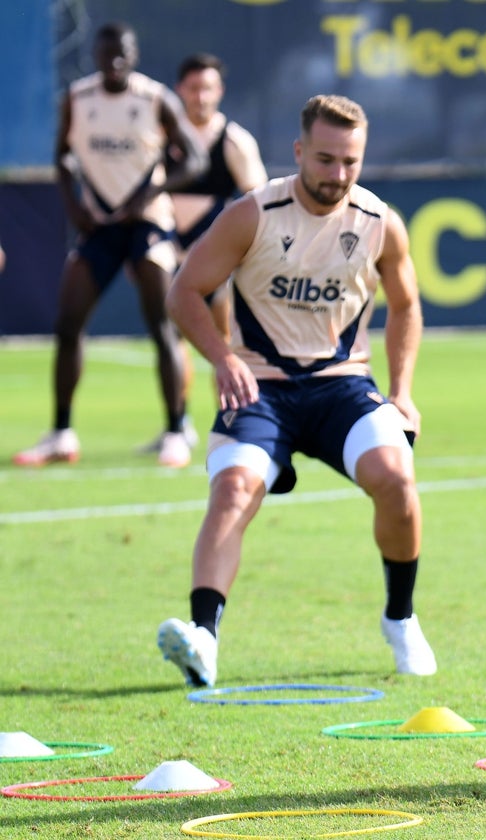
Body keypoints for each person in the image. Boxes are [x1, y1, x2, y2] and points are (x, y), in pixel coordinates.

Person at [156, 94, 435, 688]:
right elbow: (184, 292)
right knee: (232, 489)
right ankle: (204, 638)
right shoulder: (252, 214)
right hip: (261, 387)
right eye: (326, 159)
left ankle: (401, 617)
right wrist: (223, 357)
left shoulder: (379, 221)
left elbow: (407, 305)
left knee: (397, 476)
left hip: (342, 388)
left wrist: (403, 391)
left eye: (351, 162)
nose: (338, 175)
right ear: (299, 151)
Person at [13, 21, 206, 469]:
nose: (113, 62)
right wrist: (72, 204)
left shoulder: (155, 99)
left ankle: (176, 430)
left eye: (122, 53)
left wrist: (152, 193)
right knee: (68, 322)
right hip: (99, 222)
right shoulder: (78, 100)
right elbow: (61, 154)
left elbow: (192, 159)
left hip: (148, 224)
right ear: (96, 57)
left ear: (134, 55)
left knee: (162, 322)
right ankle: (61, 431)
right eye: (106, 54)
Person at [153, 52, 268, 453]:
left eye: (208, 88)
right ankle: (177, 425)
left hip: (214, 262)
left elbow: (258, 201)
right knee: (169, 337)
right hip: (168, 251)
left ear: (219, 92)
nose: (200, 97)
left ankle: (231, 421)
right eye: (192, 88)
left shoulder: (233, 140)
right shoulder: (162, 135)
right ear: (179, 90)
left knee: (221, 342)